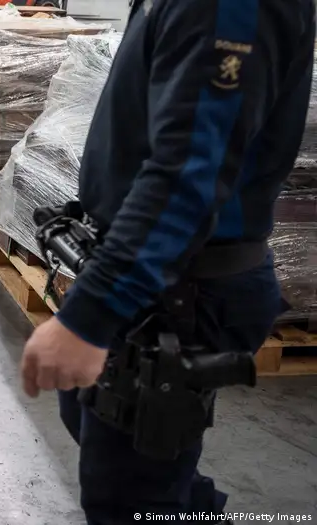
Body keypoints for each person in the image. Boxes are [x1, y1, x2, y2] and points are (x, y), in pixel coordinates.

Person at [19, 1, 316, 523]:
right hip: (152, 274)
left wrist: (92, 316)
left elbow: (186, 178)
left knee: (132, 500)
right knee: (134, 471)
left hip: (181, 288)